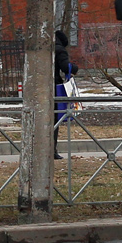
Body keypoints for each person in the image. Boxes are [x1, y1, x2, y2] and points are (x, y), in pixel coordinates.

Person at [53, 30, 71, 159]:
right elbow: (65, 67)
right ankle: (52, 150)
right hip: (53, 87)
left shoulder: (44, 49)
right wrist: (74, 68)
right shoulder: (60, 50)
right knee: (54, 119)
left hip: (39, 87)